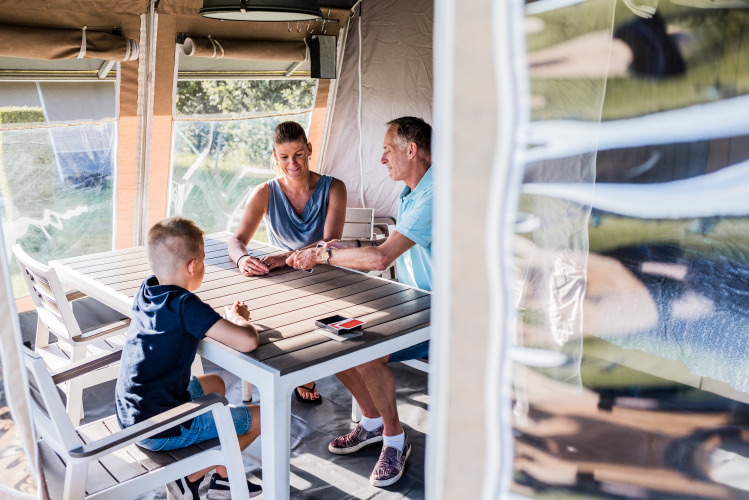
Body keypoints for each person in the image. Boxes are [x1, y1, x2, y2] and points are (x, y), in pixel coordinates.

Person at [287, 116, 433, 487]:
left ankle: (395, 439)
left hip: (445, 313)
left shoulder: (434, 195)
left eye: (388, 150)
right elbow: (385, 246)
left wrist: (322, 256)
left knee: (364, 349)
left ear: (411, 150)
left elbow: (383, 258)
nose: (383, 159)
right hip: (414, 302)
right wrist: (341, 246)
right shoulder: (414, 191)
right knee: (333, 335)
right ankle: (369, 423)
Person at [115, 217, 262, 500]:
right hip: (161, 427)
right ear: (193, 265)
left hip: (133, 413)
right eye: (204, 262)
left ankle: (223, 479)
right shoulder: (186, 306)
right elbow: (247, 341)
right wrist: (238, 318)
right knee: (261, 416)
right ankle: (193, 475)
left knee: (216, 384)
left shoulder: (147, 290)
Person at [227, 120, 347, 404]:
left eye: (298, 154)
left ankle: (299, 367)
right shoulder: (264, 193)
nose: (292, 163)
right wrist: (243, 259)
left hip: (325, 273)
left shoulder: (334, 188)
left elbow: (329, 242)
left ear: (309, 150)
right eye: (283, 157)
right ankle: (287, 371)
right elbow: (236, 241)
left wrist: (283, 256)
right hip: (280, 281)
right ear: (274, 156)